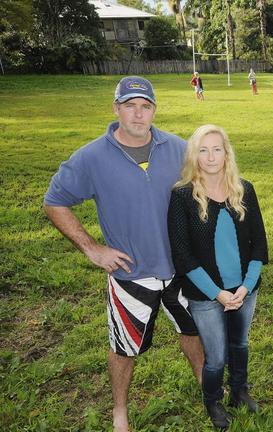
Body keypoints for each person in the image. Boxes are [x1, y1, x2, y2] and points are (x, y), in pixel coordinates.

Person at [43, 76, 204, 432]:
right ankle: (120, 412)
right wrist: (92, 248)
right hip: (132, 274)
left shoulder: (178, 148)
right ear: (116, 109)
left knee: (194, 333)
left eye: (145, 106)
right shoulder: (91, 157)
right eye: (130, 105)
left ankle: (208, 391)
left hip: (181, 268)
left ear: (154, 111)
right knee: (124, 348)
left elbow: (207, 189)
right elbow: (54, 202)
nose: (138, 114)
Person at [167, 124, 269, 430]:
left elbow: (259, 245)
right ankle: (213, 401)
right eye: (203, 150)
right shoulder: (182, 196)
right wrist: (217, 293)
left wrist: (246, 287)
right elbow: (183, 256)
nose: (211, 156)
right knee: (216, 356)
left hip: (243, 289)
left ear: (227, 153)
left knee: (240, 344)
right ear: (194, 156)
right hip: (206, 294)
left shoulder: (244, 189)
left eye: (217, 149)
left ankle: (240, 391)